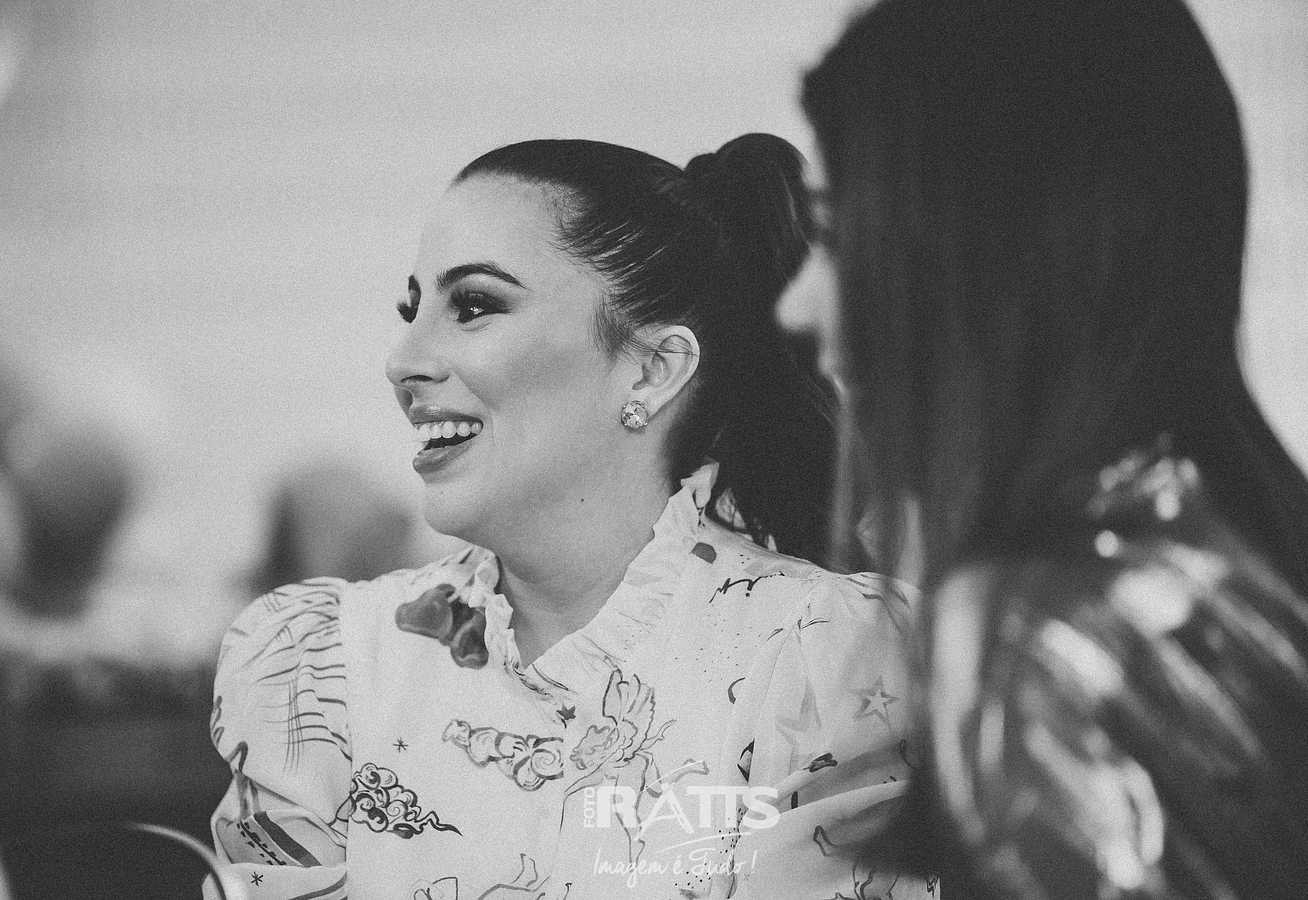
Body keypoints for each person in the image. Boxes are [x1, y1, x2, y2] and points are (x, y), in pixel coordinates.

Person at [209, 135, 929, 899]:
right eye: (412, 310)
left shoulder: (827, 663)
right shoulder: (323, 671)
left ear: (653, 369)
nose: (403, 362)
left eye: (473, 306)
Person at [780, 0, 1308, 897]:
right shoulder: (1259, 548)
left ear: (975, 254)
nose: (796, 307)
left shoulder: (1033, 631)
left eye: (832, 238)